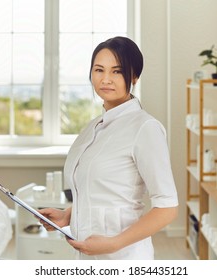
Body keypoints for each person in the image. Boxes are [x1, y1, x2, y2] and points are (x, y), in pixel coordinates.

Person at [38, 36, 178, 260]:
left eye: (117, 71)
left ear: (134, 76)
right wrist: (67, 215)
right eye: (99, 70)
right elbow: (103, 193)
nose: (106, 79)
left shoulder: (145, 128)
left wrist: (113, 244)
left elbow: (167, 208)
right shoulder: (93, 128)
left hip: (124, 257)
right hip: (87, 254)